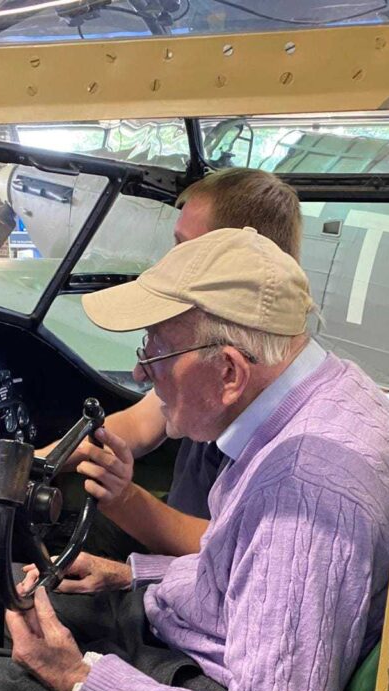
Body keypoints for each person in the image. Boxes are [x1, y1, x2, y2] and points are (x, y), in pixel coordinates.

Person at [0, 227, 389, 691]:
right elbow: (251, 574)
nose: (139, 370)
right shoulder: (338, 394)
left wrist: (76, 677)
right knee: (29, 604)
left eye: (156, 351)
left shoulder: (303, 494)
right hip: (210, 630)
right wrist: (132, 573)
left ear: (228, 372)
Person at [45, 167, 303, 559]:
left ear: (233, 256)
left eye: (183, 246)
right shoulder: (232, 353)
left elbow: (230, 549)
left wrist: (126, 503)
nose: (170, 259)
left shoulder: (270, 395)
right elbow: (139, 423)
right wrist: (31, 464)